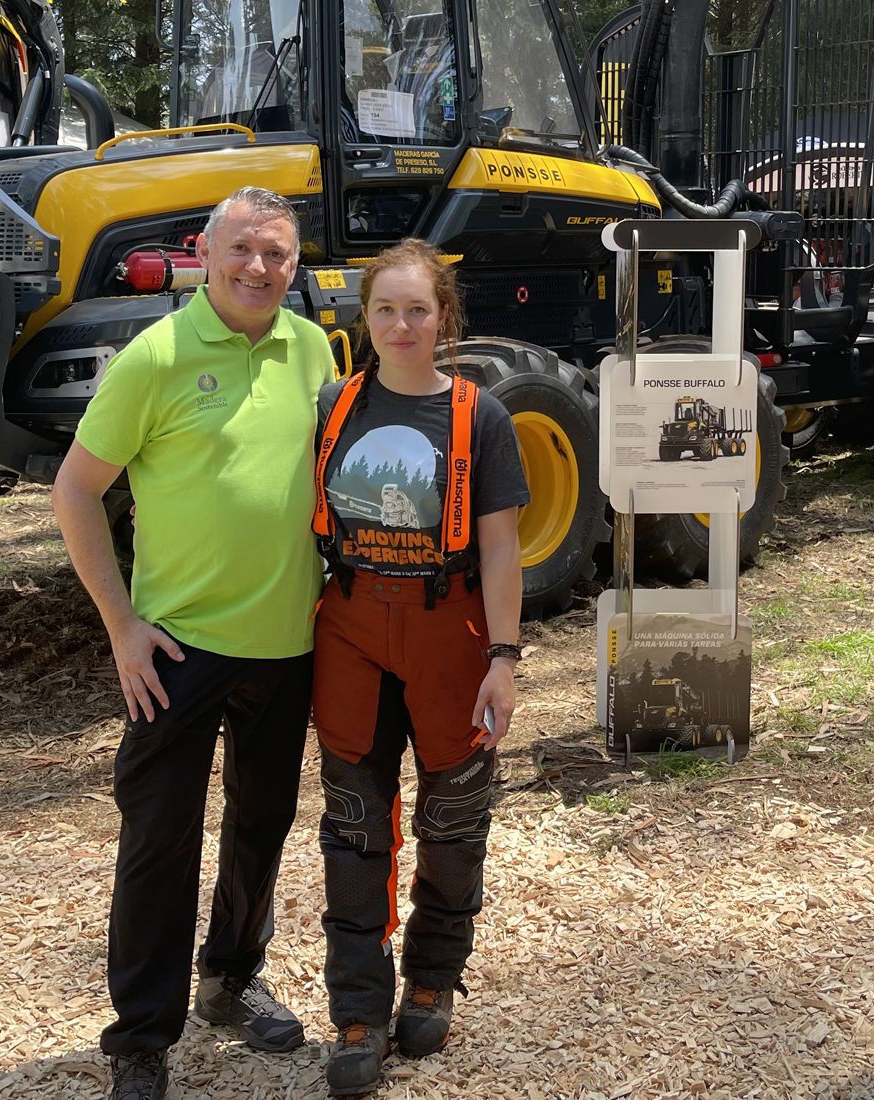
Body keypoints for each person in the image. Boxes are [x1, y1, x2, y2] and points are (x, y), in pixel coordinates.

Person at [51, 187, 334, 1100]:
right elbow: (75, 491)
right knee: (158, 844)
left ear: (295, 267)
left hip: (286, 641)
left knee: (261, 825)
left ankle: (231, 977)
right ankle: (139, 1036)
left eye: (278, 255)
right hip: (176, 653)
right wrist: (123, 628)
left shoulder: (312, 349)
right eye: (244, 250)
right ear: (204, 255)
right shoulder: (156, 357)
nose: (260, 269)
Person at [310, 238, 528, 1097]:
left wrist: (504, 659)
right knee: (354, 826)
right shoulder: (334, 407)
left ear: (444, 319)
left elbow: (503, 550)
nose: (401, 326)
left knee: (453, 819)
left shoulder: (484, 417)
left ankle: (433, 976)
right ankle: (356, 1012)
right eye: (385, 310)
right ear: (363, 318)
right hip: (353, 627)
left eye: (418, 310)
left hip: (451, 631)